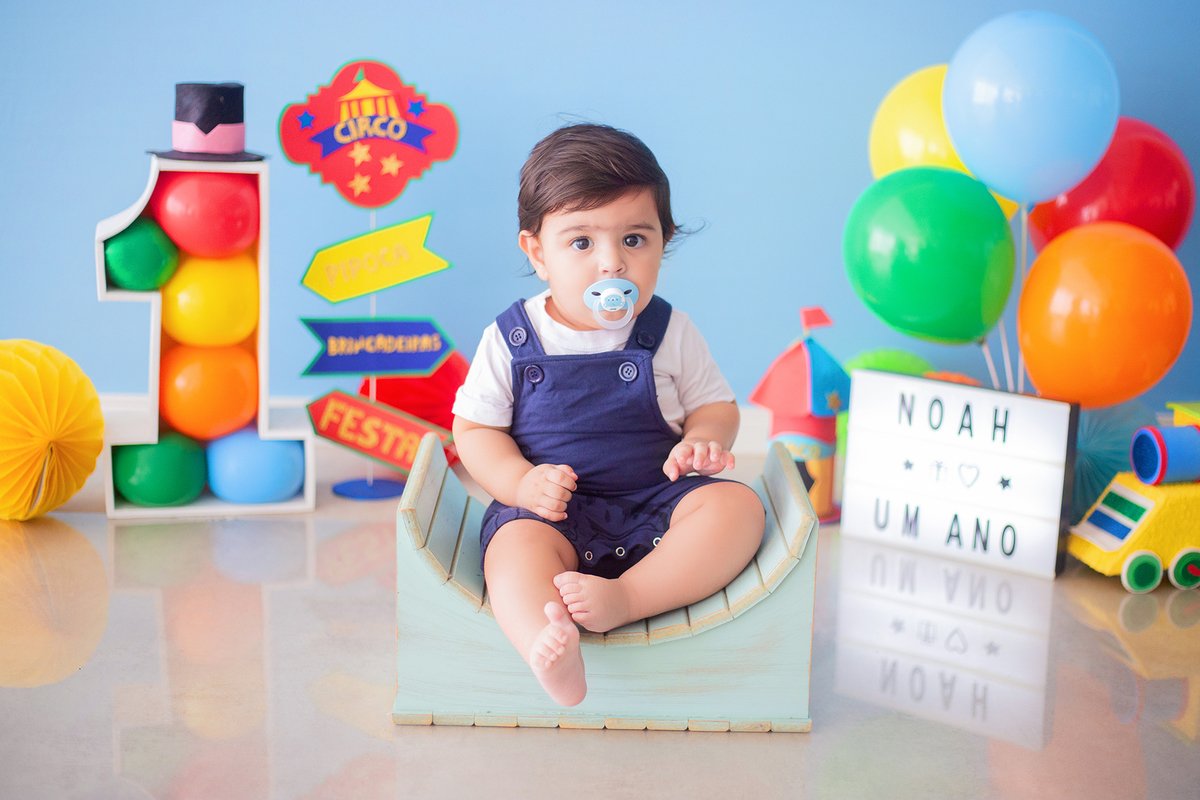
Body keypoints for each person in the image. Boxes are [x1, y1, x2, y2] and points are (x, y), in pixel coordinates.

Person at [452, 124, 764, 706]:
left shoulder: (668, 330)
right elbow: (473, 431)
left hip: (655, 503)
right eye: (581, 243)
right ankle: (547, 643)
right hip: (552, 513)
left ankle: (631, 598)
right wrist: (521, 482)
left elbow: (715, 406)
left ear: (663, 243)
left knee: (737, 507)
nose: (611, 265)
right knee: (511, 554)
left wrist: (701, 440)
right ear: (537, 252)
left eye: (635, 240)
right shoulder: (511, 337)